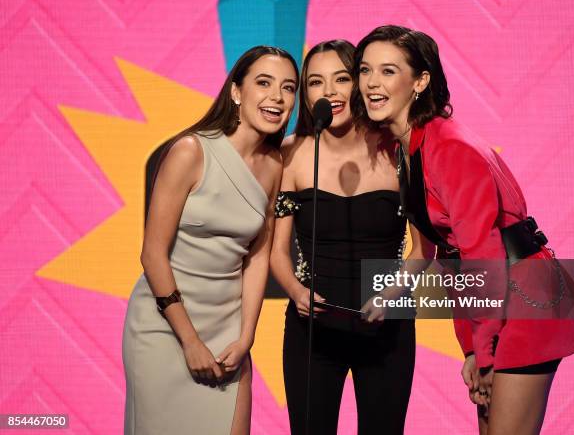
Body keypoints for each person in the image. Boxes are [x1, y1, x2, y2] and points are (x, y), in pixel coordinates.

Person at [352, 25, 574, 435]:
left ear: (421, 80)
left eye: (388, 71)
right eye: (365, 70)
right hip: (497, 304)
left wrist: (485, 352)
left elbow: (481, 255)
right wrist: (389, 299)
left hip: (526, 301)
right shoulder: (408, 148)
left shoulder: (448, 149)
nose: (372, 83)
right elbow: (430, 253)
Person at [122, 45, 298, 435]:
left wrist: (246, 336)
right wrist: (189, 341)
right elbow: (152, 254)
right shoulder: (191, 151)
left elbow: (257, 257)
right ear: (236, 91)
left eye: (288, 88)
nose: (276, 97)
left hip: (227, 332)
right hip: (165, 329)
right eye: (264, 83)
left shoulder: (274, 166)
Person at [270, 40, 430, 435]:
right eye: (315, 82)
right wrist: (295, 291)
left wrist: (391, 294)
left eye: (341, 78)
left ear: (359, 83)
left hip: (386, 326)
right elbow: (276, 252)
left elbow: (425, 248)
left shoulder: (399, 152)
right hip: (314, 331)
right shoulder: (291, 155)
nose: (329, 92)